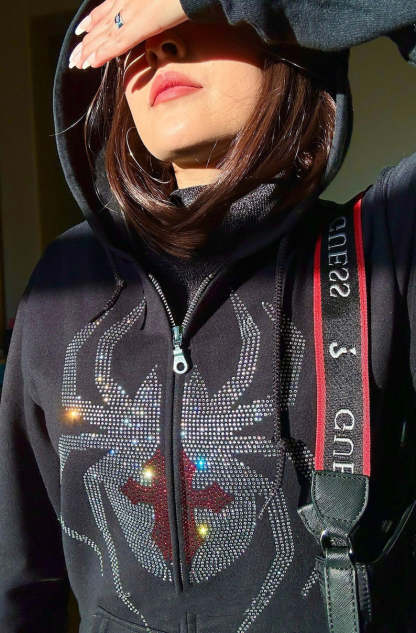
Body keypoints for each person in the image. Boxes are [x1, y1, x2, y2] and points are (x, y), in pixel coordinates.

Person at [1, 1, 416, 632]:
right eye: (130, 25)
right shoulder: (65, 281)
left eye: (189, 13)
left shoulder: (387, 249)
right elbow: (18, 575)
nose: (155, 44)